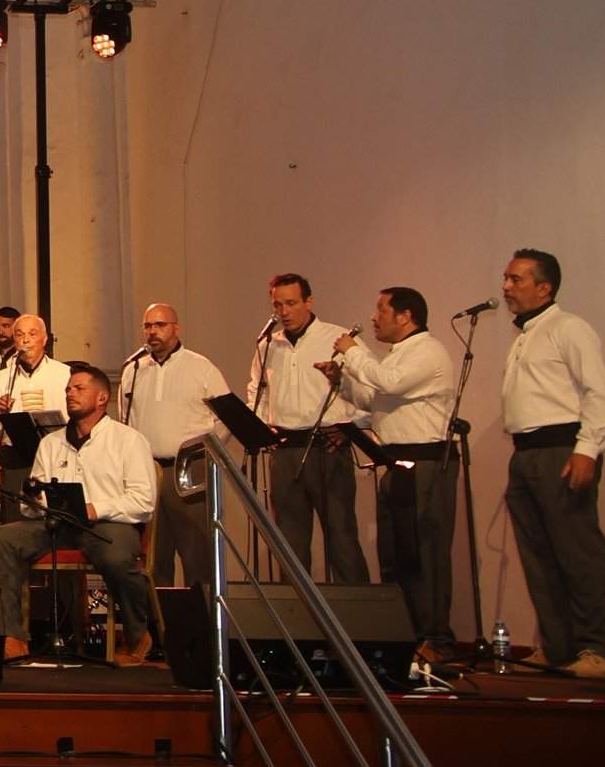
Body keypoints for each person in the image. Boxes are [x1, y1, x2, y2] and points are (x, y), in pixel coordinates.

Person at [496, 249, 605, 677]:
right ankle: (558, 647)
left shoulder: (569, 328)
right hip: (525, 452)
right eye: (506, 278)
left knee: (578, 553)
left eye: (516, 279)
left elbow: (597, 393)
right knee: (539, 557)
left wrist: (587, 449)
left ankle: (599, 649)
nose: (506, 287)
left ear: (545, 288)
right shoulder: (525, 335)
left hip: (562, 450)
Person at [0, 362, 157, 665]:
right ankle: (12, 637)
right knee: (0, 540)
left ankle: (137, 635)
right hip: (58, 523)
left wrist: (95, 508)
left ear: (102, 398)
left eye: (79, 388)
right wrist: (33, 499)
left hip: (106, 525)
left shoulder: (128, 440)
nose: (70, 394)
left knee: (115, 556)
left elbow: (143, 501)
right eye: (67, 389)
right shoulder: (51, 443)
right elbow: (30, 506)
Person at [321, 287, 458, 649]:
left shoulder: (428, 350)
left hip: (425, 462)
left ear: (406, 316)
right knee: (395, 554)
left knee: (423, 553)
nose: (374, 317)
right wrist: (341, 382)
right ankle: (405, 636)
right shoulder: (399, 355)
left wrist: (352, 351)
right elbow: (376, 400)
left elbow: (388, 382)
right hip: (396, 463)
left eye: (381, 310)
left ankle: (435, 638)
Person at [246, 273, 369, 584]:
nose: (284, 312)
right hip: (284, 449)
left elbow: (370, 388)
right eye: (278, 305)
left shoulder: (338, 338)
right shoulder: (268, 345)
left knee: (341, 536)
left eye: (291, 303)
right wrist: (262, 427)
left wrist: (350, 427)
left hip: (326, 447)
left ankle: (355, 608)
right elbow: (257, 392)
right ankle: (297, 609)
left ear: (308, 301)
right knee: (289, 540)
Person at [118, 302, 228, 588]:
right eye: (148, 326)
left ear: (176, 328)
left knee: (196, 551)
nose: (153, 331)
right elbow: (126, 420)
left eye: (160, 325)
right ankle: (159, 614)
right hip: (148, 472)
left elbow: (225, 419)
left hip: (188, 469)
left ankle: (201, 614)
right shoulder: (133, 370)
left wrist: (203, 452)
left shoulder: (201, 368)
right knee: (154, 555)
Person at [0, 313, 70, 516]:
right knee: (16, 519)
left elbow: (74, 418)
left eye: (32, 334)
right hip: (16, 460)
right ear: (15, 341)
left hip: (56, 459)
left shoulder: (64, 374)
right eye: (20, 335)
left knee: (53, 516)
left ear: (44, 340)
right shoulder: (2, 379)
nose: (26, 340)